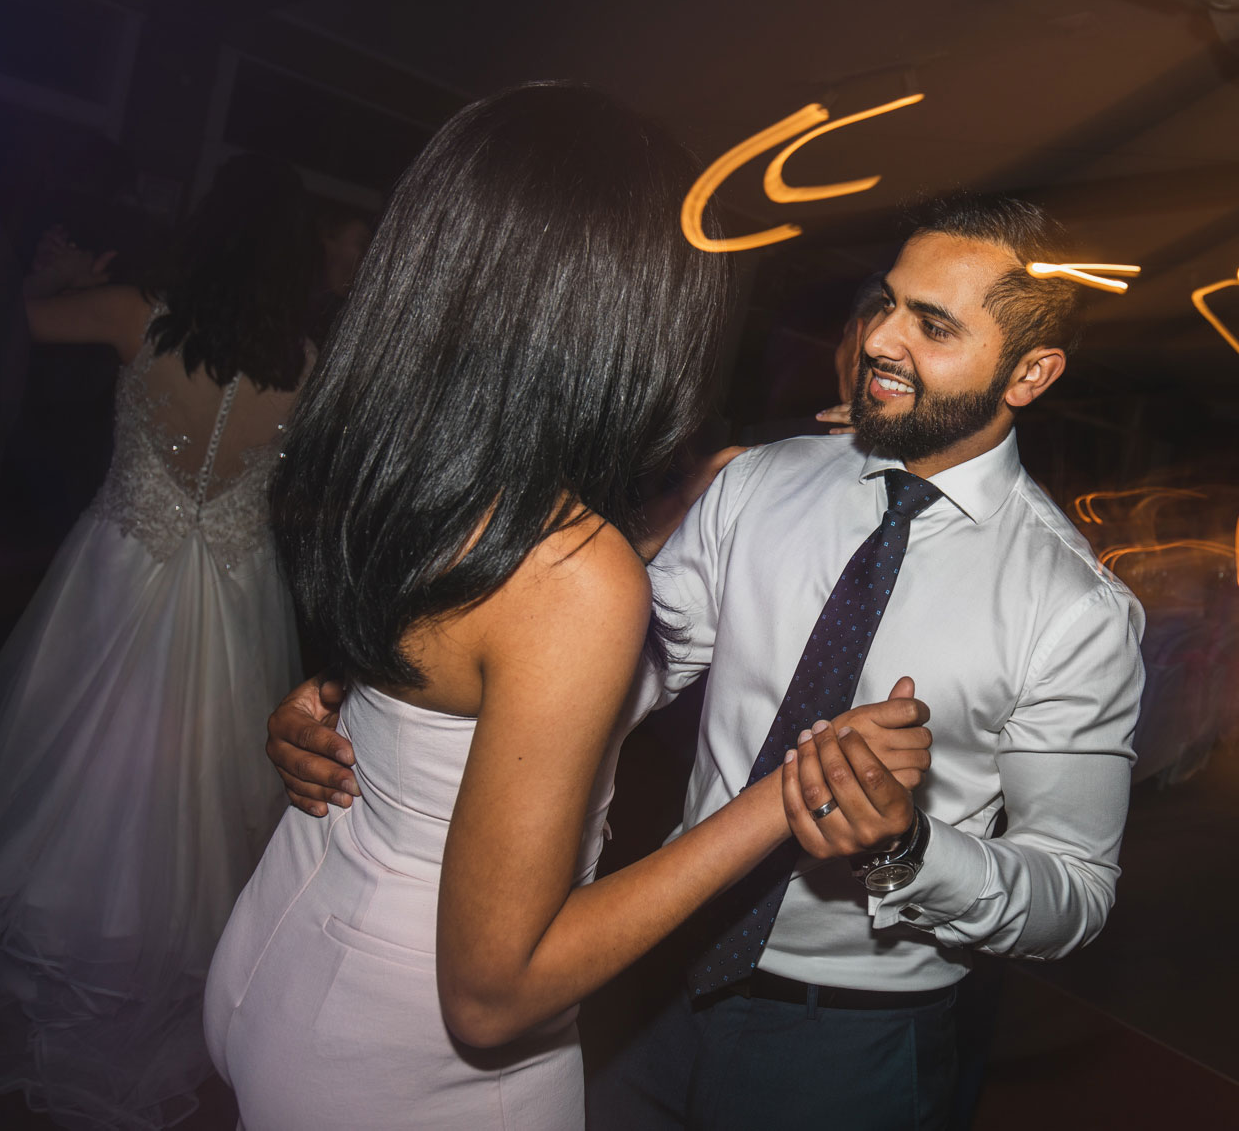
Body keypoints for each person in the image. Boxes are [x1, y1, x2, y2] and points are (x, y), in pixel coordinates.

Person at [270, 193, 1148, 1131]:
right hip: (647, 977)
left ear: (1031, 372)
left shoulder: (1075, 610)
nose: (881, 340)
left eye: (931, 325)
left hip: (847, 1045)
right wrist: (397, 693)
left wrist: (907, 847)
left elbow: (1074, 890)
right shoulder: (760, 481)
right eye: (885, 302)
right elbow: (622, 671)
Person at [202, 82, 934, 1130]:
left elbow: (432, 670)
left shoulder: (389, 462)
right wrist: (782, 797)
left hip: (283, 944)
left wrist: (329, 694)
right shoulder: (571, 572)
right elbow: (495, 995)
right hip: (407, 1052)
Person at [0, 154, 322, 1130]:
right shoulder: (311, 364)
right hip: (234, 601)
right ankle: (134, 972)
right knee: (188, 799)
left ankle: (42, 974)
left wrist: (50, 277)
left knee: (70, 782)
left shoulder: (134, 313)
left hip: (111, 580)